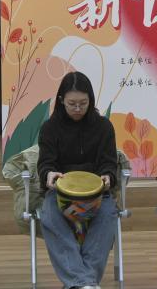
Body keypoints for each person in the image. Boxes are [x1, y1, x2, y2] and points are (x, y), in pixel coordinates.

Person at [37, 71, 118, 289]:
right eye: (72, 104)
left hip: (96, 193)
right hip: (61, 193)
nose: (78, 109)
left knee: (108, 214)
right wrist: (49, 174)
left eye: (83, 103)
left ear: (90, 100)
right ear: (61, 100)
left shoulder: (103, 127)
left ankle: (81, 283)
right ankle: (86, 283)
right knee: (49, 215)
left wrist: (108, 176)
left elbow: (110, 163)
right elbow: (45, 163)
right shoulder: (50, 128)